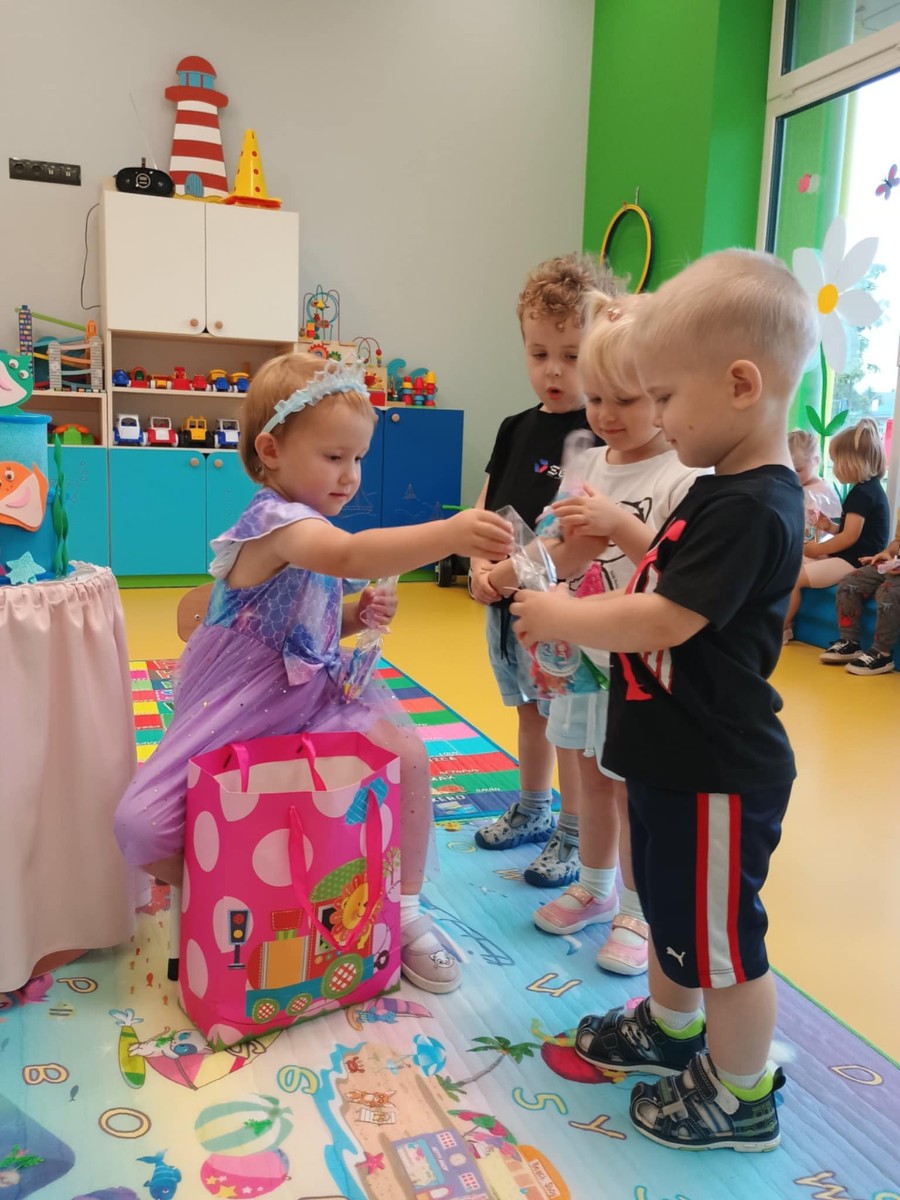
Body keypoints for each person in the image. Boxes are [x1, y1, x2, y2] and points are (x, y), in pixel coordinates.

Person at [510, 249, 819, 1152]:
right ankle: (672, 1027)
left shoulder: (756, 504)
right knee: (674, 914)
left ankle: (742, 1093)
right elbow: (667, 568)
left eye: (669, 397)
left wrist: (562, 613)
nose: (659, 416)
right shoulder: (717, 494)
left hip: (717, 769)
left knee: (723, 942)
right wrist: (614, 532)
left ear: (740, 385)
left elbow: (669, 616)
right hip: (668, 754)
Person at [115, 353, 513, 995]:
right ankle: (233, 884)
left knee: (409, 756)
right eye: (334, 457)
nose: (350, 476)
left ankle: (405, 911)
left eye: (358, 458)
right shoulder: (278, 523)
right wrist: (450, 533)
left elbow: (307, 627)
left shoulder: (311, 527)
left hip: (313, 698)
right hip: (237, 708)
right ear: (271, 451)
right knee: (141, 823)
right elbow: (349, 554)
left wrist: (355, 613)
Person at [488, 291, 701, 976]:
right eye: (597, 398)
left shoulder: (683, 474)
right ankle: (596, 884)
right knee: (588, 775)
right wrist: (513, 575)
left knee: (631, 787)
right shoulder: (593, 461)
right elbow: (567, 548)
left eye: (625, 400)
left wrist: (619, 524)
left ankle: (638, 912)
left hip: (639, 662)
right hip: (584, 654)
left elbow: (673, 575)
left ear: (665, 395)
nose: (605, 415)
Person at [469, 253, 612, 888]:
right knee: (529, 711)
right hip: (510, 607)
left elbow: (570, 534)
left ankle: (575, 833)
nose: (553, 370)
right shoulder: (514, 427)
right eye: (539, 353)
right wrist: (479, 561)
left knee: (569, 727)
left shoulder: (599, 433)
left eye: (572, 355)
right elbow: (486, 503)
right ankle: (533, 808)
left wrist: (505, 573)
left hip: (562, 608)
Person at [783, 418, 890, 643]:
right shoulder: (867, 490)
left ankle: (783, 629)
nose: (833, 467)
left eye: (835, 461)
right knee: (793, 564)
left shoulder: (861, 494)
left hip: (854, 562)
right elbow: (853, 532)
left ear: (851, 462)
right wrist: (829, 527)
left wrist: (818, 549)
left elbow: (849, 537)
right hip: (851, 556)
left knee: (793, 578)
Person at [820, 508, 900, 675]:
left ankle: (882, 653)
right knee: (849, 583)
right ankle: (850, 642)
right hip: (895, 564)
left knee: (888, 592)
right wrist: (886, 553)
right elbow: (898, 541)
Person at [787, 428, 841, 542]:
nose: (793, 475)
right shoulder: (788, 486)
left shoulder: (823, 491)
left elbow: (834, 527)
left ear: (816, 460)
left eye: (798, 470)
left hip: (816, 547)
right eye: (788, 470)